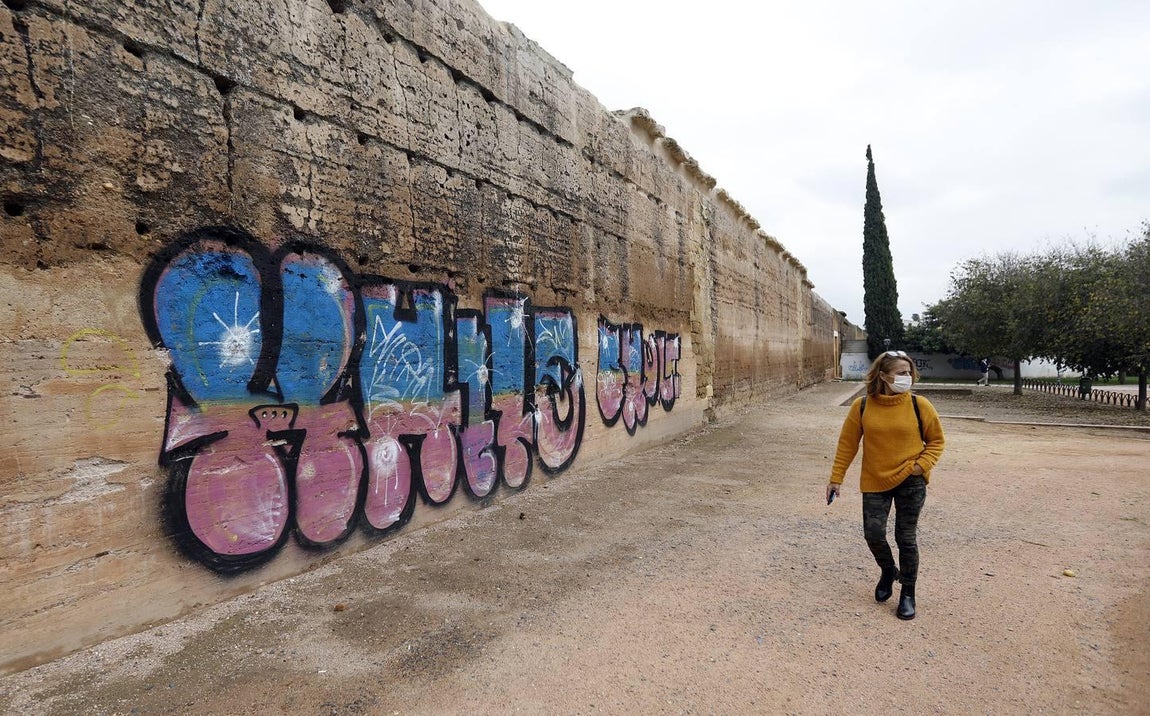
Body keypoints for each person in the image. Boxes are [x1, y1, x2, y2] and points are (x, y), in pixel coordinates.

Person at [826, 350, 945, 620]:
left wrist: (920, 466)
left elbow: (936, 441)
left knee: (906, 538)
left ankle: (908, 593)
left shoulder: (919, 405)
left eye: (909, 372)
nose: (907, 377)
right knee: (874, 534)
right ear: (883, 375)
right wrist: (836, 478)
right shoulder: (863, 406)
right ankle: (889, 570)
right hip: (875, 479)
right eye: (901, 373)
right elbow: (847, 444)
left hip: (911, 481)